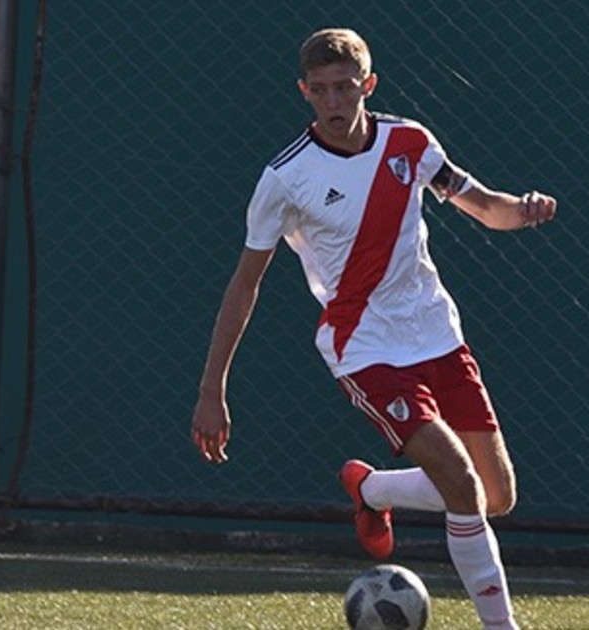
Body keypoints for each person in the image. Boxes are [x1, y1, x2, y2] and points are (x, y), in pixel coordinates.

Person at [190, 27, 555, 630]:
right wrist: (212, 388)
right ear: (304, 92)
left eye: (345, 87)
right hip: (364, 347)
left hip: (437, 333)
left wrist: (523, 210)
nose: (334, 102)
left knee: (497, 496)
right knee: (461, 486)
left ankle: (373, 490)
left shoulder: (410, 142)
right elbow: (244, 284)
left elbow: (486, 206)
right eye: (321, 90)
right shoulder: (286, 177)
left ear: (369, 85)